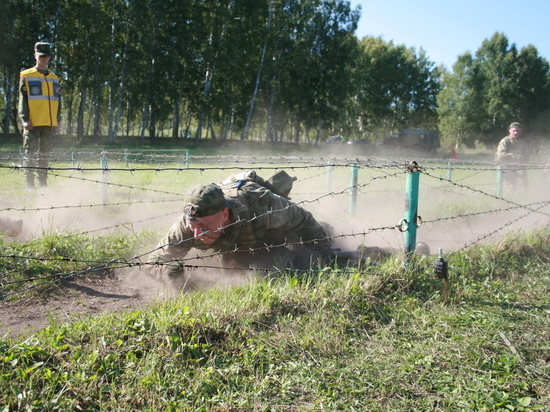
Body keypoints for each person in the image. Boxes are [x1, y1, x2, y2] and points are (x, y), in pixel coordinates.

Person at [147, 170, 333, 291]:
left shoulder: (261, 204)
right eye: (193, 226)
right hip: (238, 242)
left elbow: (304, 221)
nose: (198, 234)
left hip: (273, 232)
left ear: (225, 213)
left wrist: (325, 253)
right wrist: (172, 276)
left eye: (204, 226)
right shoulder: (188, 224)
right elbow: (154, 262)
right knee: (236, 267)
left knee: (295, 256)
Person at [18, 42, 61, 189]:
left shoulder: (55, 78)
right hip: (32, 122)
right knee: (30, 153)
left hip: (48, 124)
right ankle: (29, 184)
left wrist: (57, 121)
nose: (43, 59)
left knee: (44, 155)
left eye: (46, 56)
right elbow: (22, 99)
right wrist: (24, 118)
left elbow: (57, 101)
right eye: (40, 56)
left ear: (49, 57)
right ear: (35, 56)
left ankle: (43, 183)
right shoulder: (27, 75)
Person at [494, 122, 529, 189]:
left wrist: (523, 161)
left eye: (517, 131)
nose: (515, 133)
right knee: (511, 185)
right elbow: (501, 155)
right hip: (503, 165)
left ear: (520, 131)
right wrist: (515, 156)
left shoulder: (522, 143)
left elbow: (526, 155)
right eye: (514, 131)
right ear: (509, 130)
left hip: (515, 166)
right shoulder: (505, 141)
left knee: (519, 183)